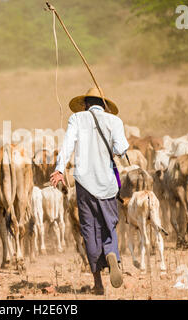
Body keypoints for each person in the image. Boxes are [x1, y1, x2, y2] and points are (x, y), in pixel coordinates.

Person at [50, 87, 129, 295]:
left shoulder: (77, 119)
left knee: (89, 230)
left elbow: (68, 144)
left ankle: (98, 284)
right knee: (109, 225)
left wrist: (59, 169)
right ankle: (112, 253)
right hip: (108, 185)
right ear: (104, 104)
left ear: (85, 104)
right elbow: (121, 149)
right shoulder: (115, 122)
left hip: (84, 185)